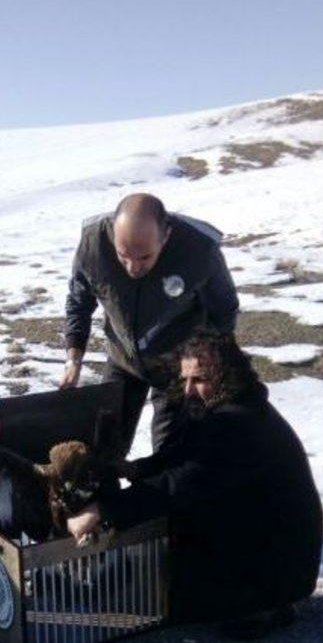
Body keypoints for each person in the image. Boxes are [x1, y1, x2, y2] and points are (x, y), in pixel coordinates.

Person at [66, 333, 323, 639]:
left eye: (199, 380)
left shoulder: (239, 424)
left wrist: (103, 509)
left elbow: (181, 483)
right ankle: (255, 598)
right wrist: (139, 468)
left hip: (279, 560)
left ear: (229, 377)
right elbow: (185, 456)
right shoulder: (228, 409)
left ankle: (262, 604)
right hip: (267, 544)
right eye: (185, 379)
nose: (188, 390)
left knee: (170, 601)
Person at [61, 193, 239, 455]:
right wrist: (73, 359)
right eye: (123, 257)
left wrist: (203, 361)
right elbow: (79, 302)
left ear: (164, 237)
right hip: (123, 359)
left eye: (144, 257)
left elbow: (224, 311)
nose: (132, 267)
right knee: (102, 450)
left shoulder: (198, 251)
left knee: (171, 457)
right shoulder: (94, 246)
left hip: (177, 365)